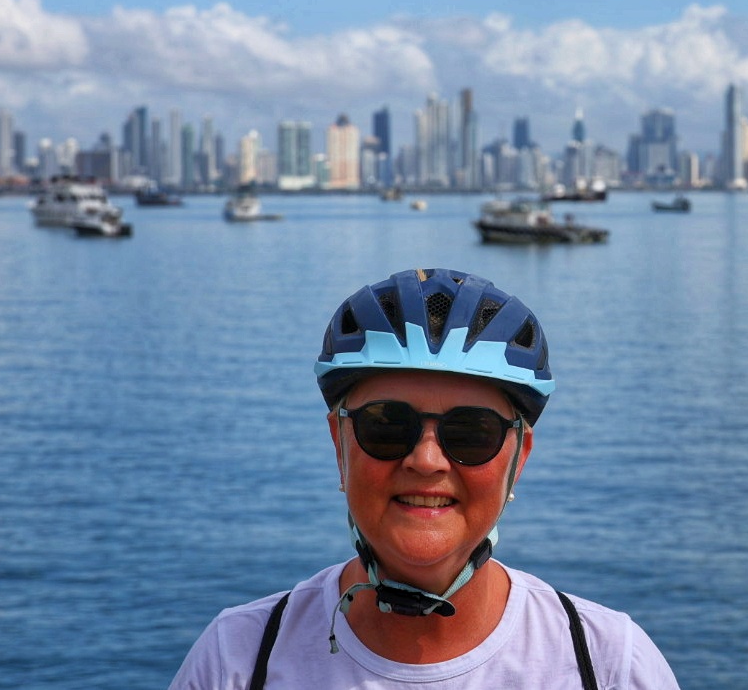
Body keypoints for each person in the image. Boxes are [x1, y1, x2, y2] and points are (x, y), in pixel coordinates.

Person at [170, 267, 681, 689]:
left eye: (472, 432)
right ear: (339, 445)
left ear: (518, 458)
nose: (427, 460)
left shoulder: (607, 665)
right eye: (386, 426)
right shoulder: (238, 661)